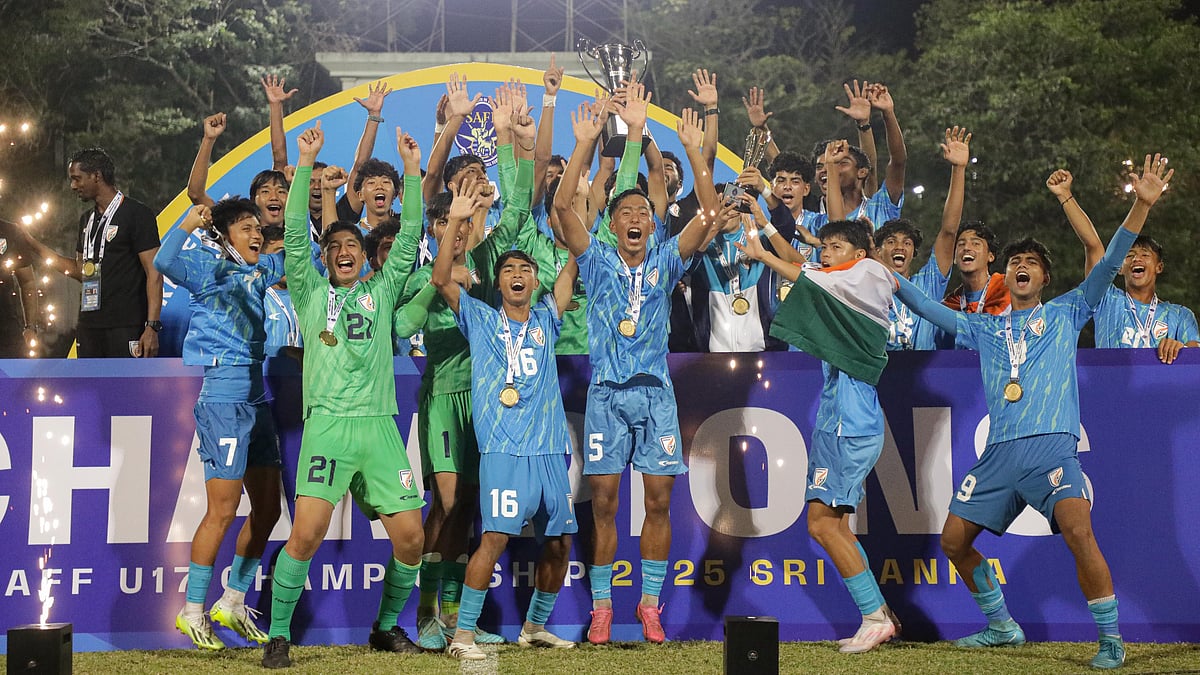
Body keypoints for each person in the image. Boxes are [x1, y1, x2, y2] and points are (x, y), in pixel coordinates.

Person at [892, 154, 1173, 670]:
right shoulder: (984, 327)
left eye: (1032, 264)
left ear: (1044, 278)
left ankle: (1110, 638)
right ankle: (1001, 626)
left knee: (1079, 530)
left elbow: (1108, 260)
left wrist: (1141, 205)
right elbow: (931, 310)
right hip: (999, 453)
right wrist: (890, 282)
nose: (1021, 267)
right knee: (953, 541)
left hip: (1051, 446)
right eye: (1015, 262)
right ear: (1007, 274)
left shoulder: (1067, 312)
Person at [261, 123, 437, 668]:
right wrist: (308, 166)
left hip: (380, 429)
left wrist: (412, 174)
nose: (342, 251)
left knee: (411, 539)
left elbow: (408, 238)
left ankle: (386, 629)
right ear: (325, 257)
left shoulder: (382, 292)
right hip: (329, 427)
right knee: (307, 534)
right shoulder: (311, 291)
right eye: (334, 245)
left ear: (363, 257)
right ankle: (280, 636)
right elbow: (294, 234)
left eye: (351, 246)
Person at [553, 83, 720, 645]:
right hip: (605, 394)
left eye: (641, 212)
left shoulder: (669, 261)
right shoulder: (596, 260)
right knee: (602, 501)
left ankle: (649, 604)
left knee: (657, 501)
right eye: (623, 211)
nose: (631, 217)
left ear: (653, 224)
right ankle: (602, 607)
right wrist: (582, 143)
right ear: (613, 223)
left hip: (656, 397)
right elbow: (559, 208)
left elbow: (712, 211)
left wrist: (691, 150)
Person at [396, 97, 538, 650]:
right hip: (447, 398)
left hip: (492, 403)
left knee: (473, 506)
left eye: (483, 181)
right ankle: (427, 612)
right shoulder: (424, 275)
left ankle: (456, 617)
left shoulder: (493, 255)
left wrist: (505, 137)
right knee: (449, 504)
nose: (479, 186)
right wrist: (452, 230)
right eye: (468, 180)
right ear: (444, 209)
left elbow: (522, 203)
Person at [738, 207, 901, 654]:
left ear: (861, 253)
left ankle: (872, 618)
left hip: (851, 426)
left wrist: (767, 257)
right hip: (837, 423)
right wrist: (764, 243)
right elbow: (806, 268)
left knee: (822, 525)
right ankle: (880, 614)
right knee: (835, 526)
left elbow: (807, 275)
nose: (826, 255)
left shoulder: (870, 273)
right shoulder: (840, 283)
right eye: (824, 247)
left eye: (836, 248)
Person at [431, 189, 581, 660]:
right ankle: (463, 636)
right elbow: (440, 280)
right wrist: (456, 222)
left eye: (525, 271)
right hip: (502, 450)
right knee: (494, 538)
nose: (517, 276)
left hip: (549, 450)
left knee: (558, 543)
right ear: (498, 283)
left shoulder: (548, 319)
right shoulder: (479, 318)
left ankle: (534, 626)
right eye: (509, 271)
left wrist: (575, 219)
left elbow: (574, 266)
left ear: (535, 282)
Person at [153, 199, 284, 650]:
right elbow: (165, 259)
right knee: (223, 510)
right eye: (246, 228)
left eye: (258, 229)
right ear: (226, 234)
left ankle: (231, 601)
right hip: (224, 397)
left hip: (256, 395)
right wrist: (189, 221)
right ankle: (191, 612)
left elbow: (299, 256)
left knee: (268, 509)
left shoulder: (262, 269)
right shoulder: (208, 267)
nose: (255, 235)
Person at [1046, 169, 1198, 362]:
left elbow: (1195, 358)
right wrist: (1065, 195)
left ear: (1159, 267)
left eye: (1145, 255)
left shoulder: (1180, 315)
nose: (1137, 259)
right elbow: (1092, 245)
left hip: (1161, 392)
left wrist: (1182, 348)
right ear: (1120, 267)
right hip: (1112, 391)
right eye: (1130, 255)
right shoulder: (1106, 300)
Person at [26, 147, 163, 357]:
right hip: (89, 325)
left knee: (123, 389)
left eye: (77, 179)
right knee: (90, 389)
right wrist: (33, 245)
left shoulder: (137, 214)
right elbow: (80, 270)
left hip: (125, 324)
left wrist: (152, 326)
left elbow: (154, 273)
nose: (73, 186)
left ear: (96, 176)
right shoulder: (86, 220)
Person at [877, 126, 971, 350]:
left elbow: (949, 232)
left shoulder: (927, 283)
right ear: (877, 251)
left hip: (922, 376)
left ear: (913, 253)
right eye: (891, 241)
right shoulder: (867, 287)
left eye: (906, 243)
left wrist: (958, 170)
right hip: (880, 379)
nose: (899, 246)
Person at [0, 218, 42, 358]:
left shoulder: (10, 231)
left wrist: (30, 327)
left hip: (6, 330)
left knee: (11, 378)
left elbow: (28, 283)